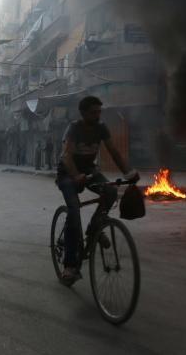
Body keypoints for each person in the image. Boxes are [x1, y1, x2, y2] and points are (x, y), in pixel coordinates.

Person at [56, 96, 139, 285]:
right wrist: (76, 176)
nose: (98, 115)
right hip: (67, 174)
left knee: (110, 192)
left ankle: (94, 229)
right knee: (74, 213)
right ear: (83, 113)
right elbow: (66, 155)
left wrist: (128, 172)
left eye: (99, 112)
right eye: (94, 112)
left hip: (89, 172)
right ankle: (69, 266)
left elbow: (114, 152)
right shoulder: (74, 128)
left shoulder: (101, 128)